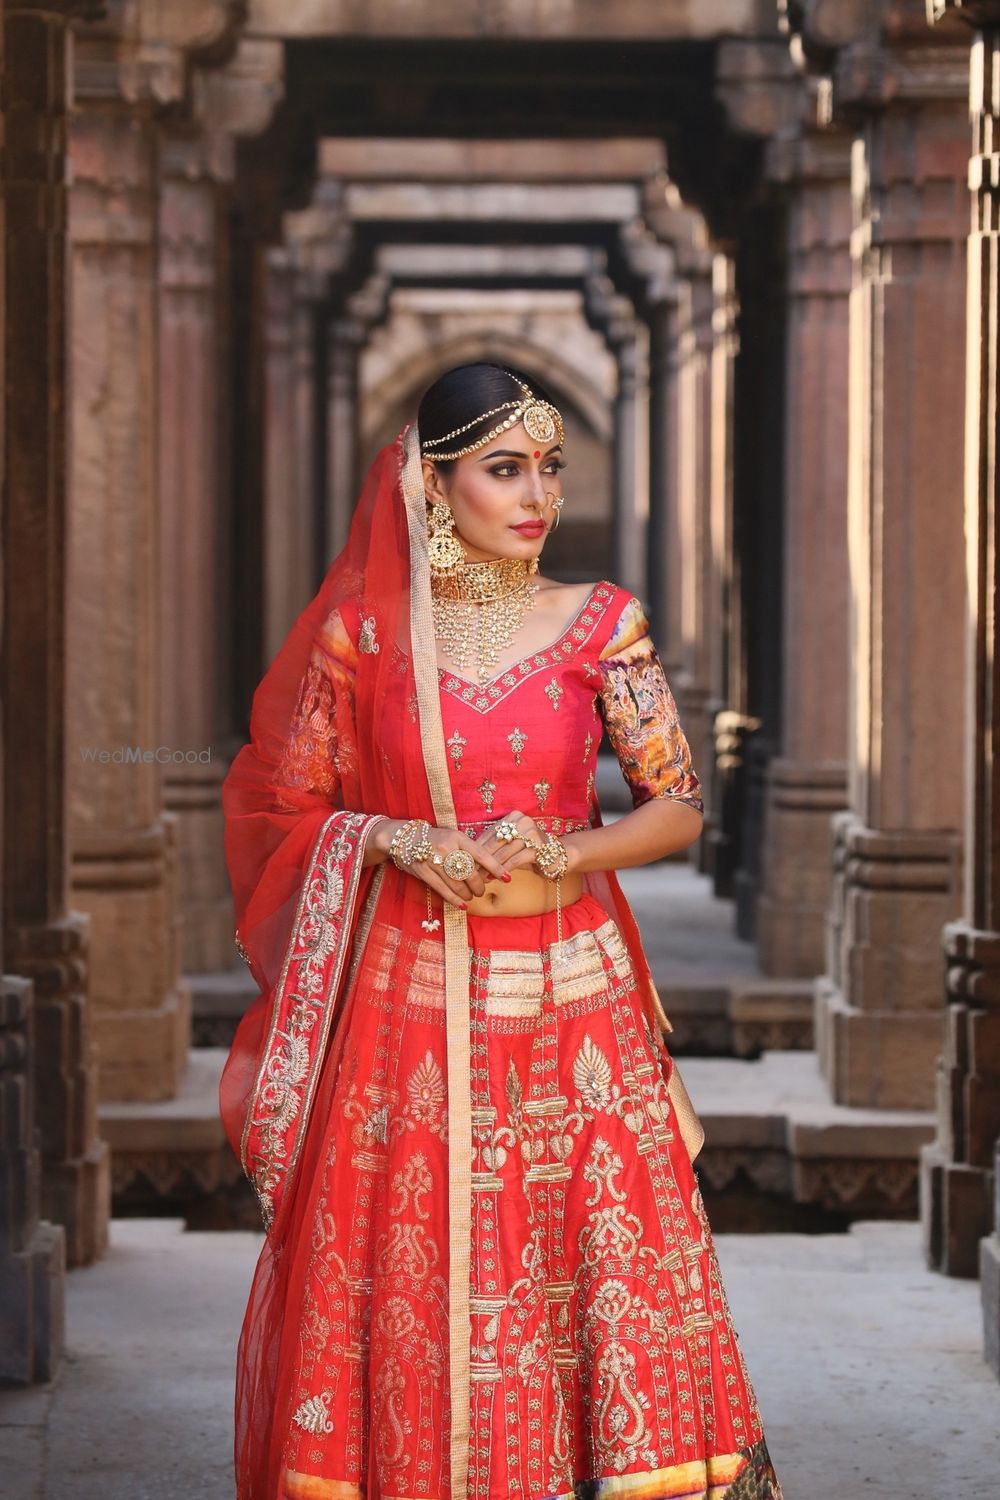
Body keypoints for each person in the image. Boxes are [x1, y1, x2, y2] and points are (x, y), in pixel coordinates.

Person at [219, 362, 783, 1500]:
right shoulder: (364, 640)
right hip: (405, 997)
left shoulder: (599, 623)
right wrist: (397, 839)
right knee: (414, 1265)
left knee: (592, 1265)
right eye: (505, 468)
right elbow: (290, 805)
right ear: (434, 486)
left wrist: (564, 849)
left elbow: (674, 801)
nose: (538, 496)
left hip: (572, 997)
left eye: (550, 469)